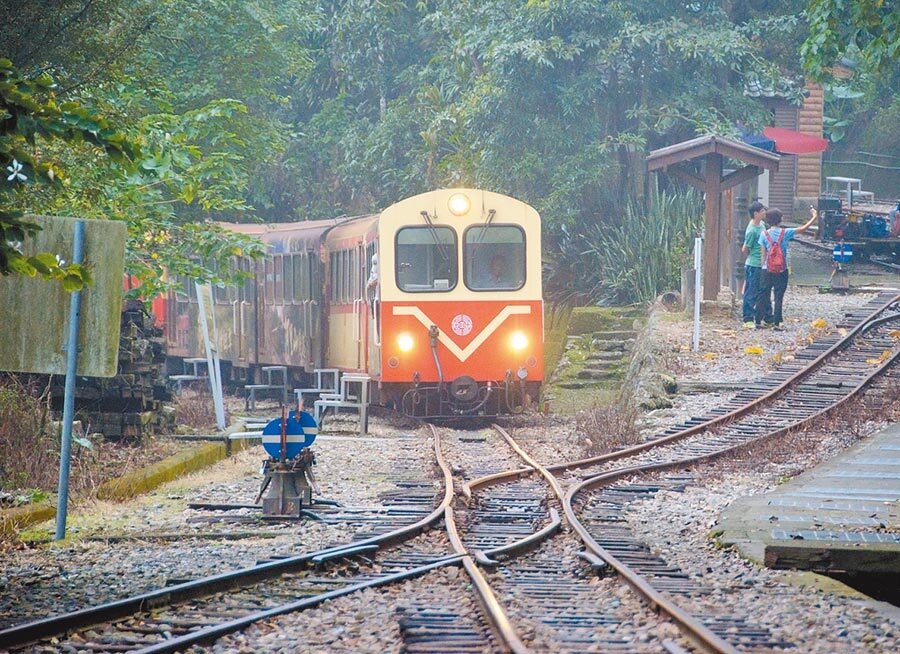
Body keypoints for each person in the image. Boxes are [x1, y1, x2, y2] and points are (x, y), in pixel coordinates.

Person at [754, 206, 817, 330]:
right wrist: (814, 216)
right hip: (781, 269)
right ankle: (777, 323)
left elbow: (763, 254)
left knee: (763, 294)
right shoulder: (785, 232)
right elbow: (804, 228)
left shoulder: (764, 234)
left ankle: (758, 321)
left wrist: (763, 267)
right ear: (780, 219)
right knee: (778, 296)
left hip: (767, 269)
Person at [741, 201, 769, 328]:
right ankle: (748, 318)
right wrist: (754, 257)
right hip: (754, 265)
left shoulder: (762, 224)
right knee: (751, 291)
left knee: (764, 291)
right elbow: (745, 249)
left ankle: (767, 316)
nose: (764, 212)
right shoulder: (752, 230)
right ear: (755, 213)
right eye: (762, 211)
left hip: (762, 264)